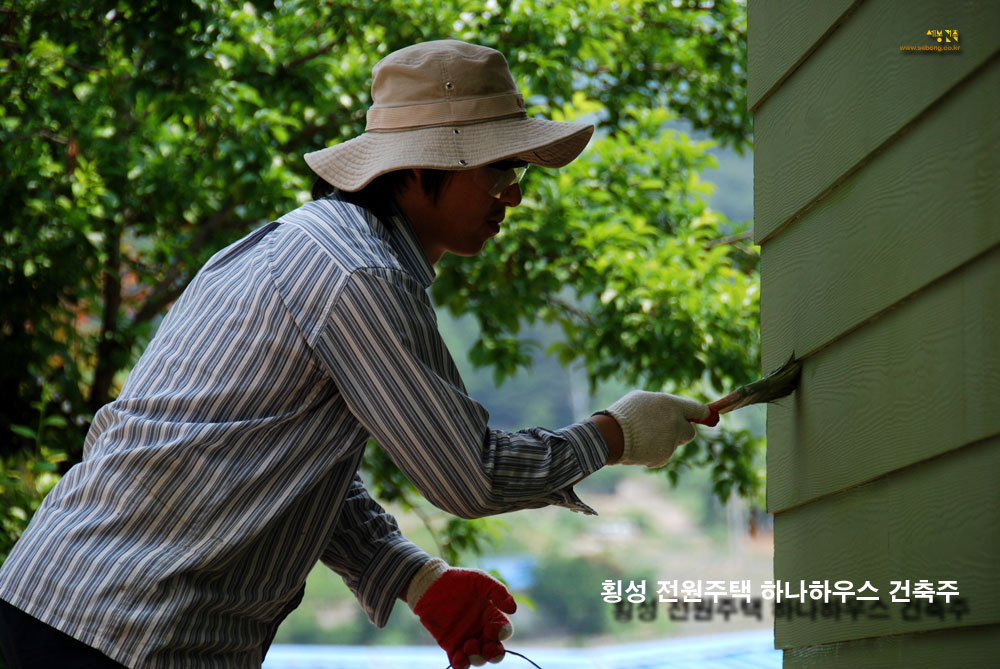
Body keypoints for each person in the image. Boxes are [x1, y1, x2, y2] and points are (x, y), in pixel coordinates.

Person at [0, 40, 711, 669]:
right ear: (427, 165)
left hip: (70, 610)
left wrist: (415, 577)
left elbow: (287, 465)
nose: (514, 196)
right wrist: (614, 434)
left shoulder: (309, 245)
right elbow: (472, 473)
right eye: (498, 171)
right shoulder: (361, 274)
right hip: (113, 631)